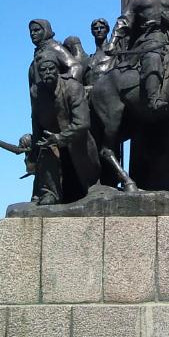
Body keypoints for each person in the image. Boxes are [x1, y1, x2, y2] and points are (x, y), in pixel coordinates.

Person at [29, 52, 100, 205]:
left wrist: (60, 138)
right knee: (45, 147)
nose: (47, 72)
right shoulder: (36, 92)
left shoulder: (73, 87)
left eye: (50, 68)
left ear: (58, 69)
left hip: (78, 143)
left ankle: (90, 187)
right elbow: (36, 120)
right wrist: (35, 145)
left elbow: (82, 123)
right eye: (43, 70)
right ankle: (50, 193)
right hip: (52, 144)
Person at [28, 19, 84, 87]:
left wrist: (65, 86)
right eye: (31, 31)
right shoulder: (38, 51)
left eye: (36, 30)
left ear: (45, 30)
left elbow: (76, 67)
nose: (32, 33)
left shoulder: (54, 47)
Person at [83, 18, 114, 89]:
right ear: (92, 32)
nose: (99, 30)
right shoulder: (89, 59)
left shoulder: (114, 54)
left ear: (107, 30)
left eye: (102, 28)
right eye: (95, 28)